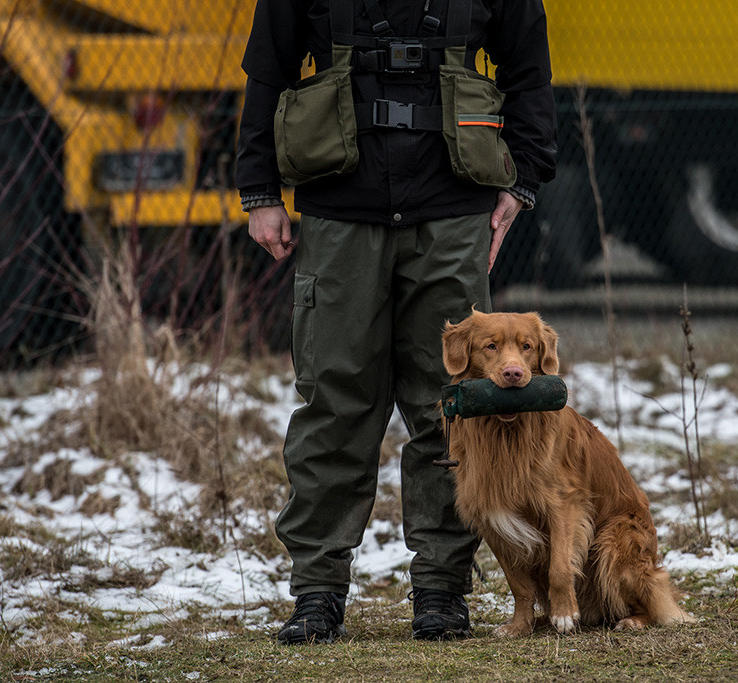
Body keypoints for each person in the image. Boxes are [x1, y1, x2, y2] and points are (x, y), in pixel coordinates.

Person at [235, 0, 556, 644]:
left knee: (453, 408)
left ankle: (442, 591)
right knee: (334, 403)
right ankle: (318, 593)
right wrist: (261, 191)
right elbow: (267, 68)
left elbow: (530, 74)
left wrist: (521, 182)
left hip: (451, 207)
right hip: (340, 205)